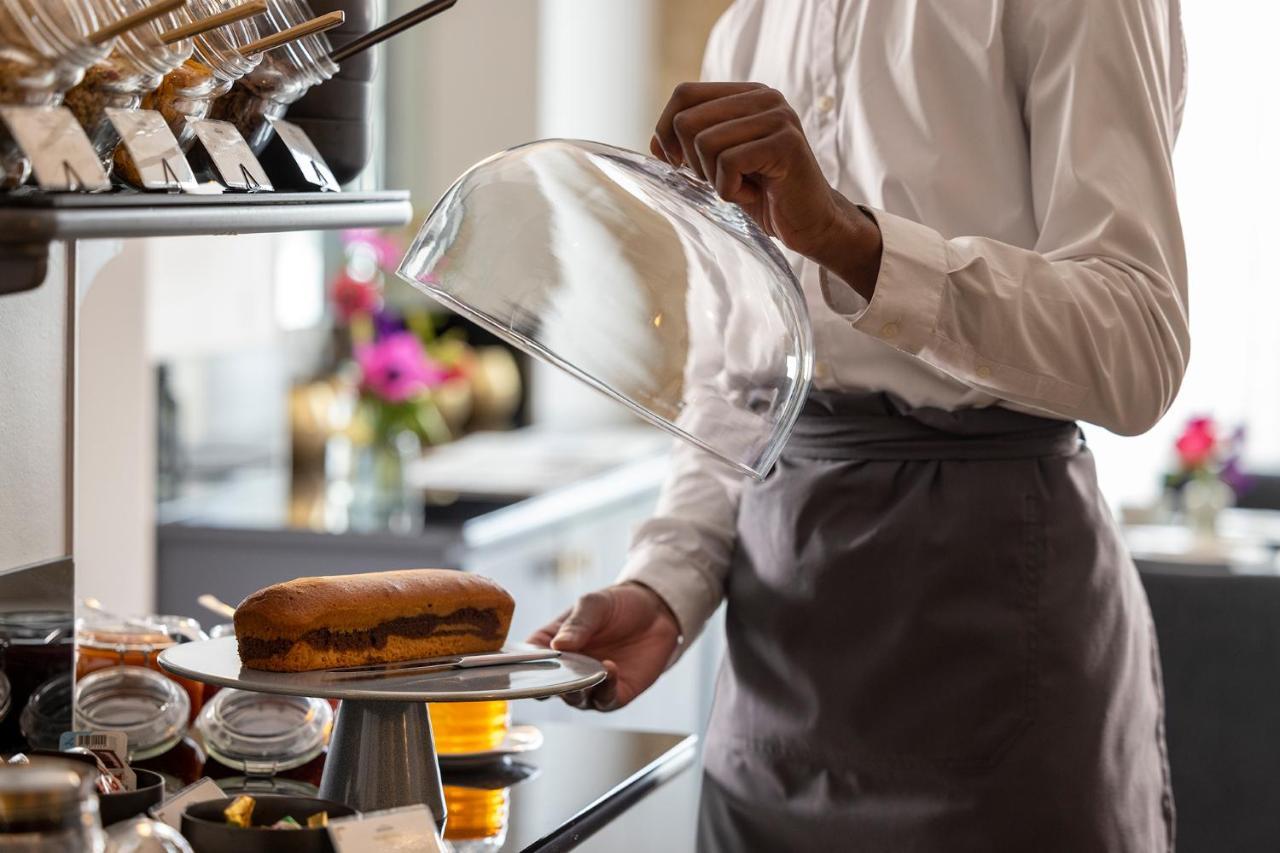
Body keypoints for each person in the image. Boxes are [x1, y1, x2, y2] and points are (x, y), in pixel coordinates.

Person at [530, 0, 1187, 850]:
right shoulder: (747, 27)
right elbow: (736, 384)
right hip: (773, 686)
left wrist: (855, 243)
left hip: (995, 641)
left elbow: (1138, 345)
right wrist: (667, 580)